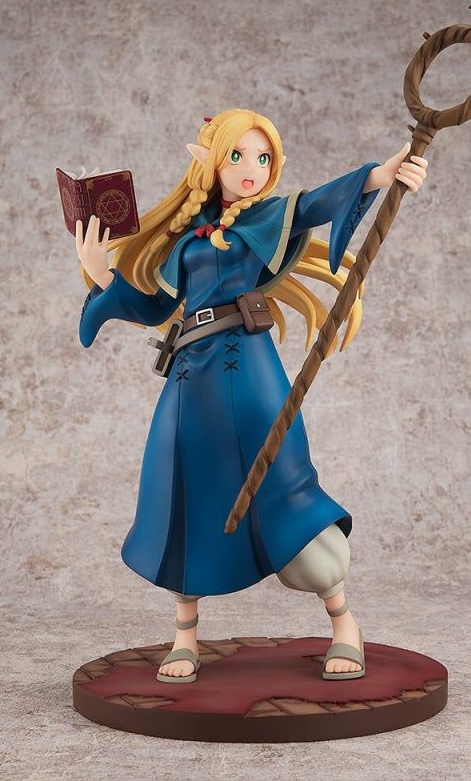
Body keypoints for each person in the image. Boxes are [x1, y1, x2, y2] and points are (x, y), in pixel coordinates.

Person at [76, 108, 428, 683]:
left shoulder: (266, 216)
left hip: (250, 371)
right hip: (190, 378)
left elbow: (315, 202)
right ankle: (185, 635)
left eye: (263, 158)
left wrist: (381, 174)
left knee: (282, 483)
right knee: (181, 490)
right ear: (210, 160)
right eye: (238, 155)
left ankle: (343, 621)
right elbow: (155, 306)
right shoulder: (189, 234)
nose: (252, 168)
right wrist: (101, 276)